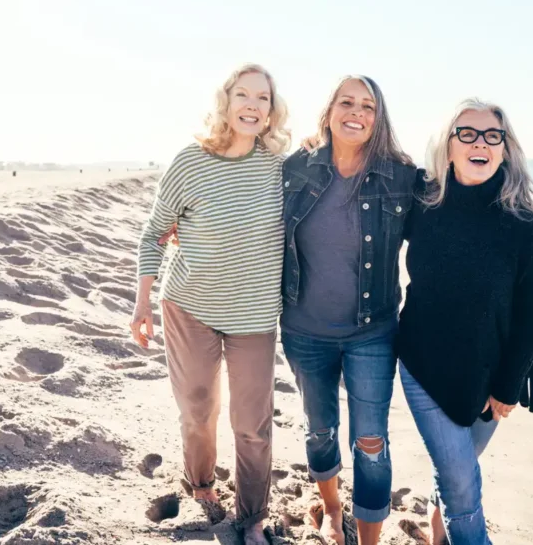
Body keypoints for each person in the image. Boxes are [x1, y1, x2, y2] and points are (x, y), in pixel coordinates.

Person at [130, 63, 290, 545]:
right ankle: (201, 486)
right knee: (198, 409)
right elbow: (155, 231)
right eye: (244, 95)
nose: (253, 106)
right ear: (226, 101)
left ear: (272, 108)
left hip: (255, 316)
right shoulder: (190, 161)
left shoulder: (281, 167)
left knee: (253, 422)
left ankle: (253, 515)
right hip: (189, 307)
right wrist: (141, 303)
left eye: (263, 98)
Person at [398, 99, 533, 545]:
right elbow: (370, 176)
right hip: (422, 365)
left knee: (456, 467)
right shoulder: (422, 200)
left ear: (506, 150)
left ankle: (435, 528)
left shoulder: (527, 227)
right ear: (447, 146)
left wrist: (508, 385)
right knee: (463, 486)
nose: (479, 142)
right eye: (466, 133)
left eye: (492, 135)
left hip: (491, 378)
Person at [280, 75, 416, 545]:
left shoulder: (402, 177)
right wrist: (183, 222)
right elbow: (253, 217)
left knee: (371, 444)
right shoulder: (296, 169)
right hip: (303, 330)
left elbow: (446, 236)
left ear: (379, 119)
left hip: (372, 333)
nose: (356, 112)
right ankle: (334, 510)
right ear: (330, 109)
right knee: (320, 431)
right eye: (347, 102)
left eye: (367, 106)